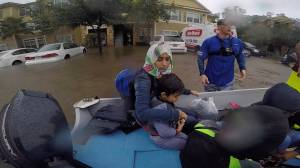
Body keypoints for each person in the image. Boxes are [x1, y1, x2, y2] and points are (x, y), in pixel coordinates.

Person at [131, 43, 199, 131]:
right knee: (192, 121)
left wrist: (188, 91)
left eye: (167, 59)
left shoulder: (159, 72)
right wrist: (176, 115)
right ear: (151, 59)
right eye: (159, 59)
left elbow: (170, 87)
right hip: (149, 111)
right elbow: (142, 114)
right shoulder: (143, 79)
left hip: (158, 103)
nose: (164, 64)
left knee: (193, 113)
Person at [197, 19, 246, 92]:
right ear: (219, 27)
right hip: (210, 81)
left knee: (224, 102)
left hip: (228, 82)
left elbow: (240, 56)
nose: (229, 27)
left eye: (230, 25)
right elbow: (200, 58)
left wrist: (242, 68)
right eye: (226, 25)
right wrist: (202, 74)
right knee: (208, 102)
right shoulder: (209, 42)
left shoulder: (238, 42)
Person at [146, 73, 188, 150]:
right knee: (184, 143)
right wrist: (179, 129)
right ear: (164, 94)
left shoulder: (162, 99)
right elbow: (165, 133)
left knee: (187, 138)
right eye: (176, 96)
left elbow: (170, 111)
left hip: (170, 129)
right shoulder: (158, 109)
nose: (177, 99)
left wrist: (179, 116)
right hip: (160, 137)